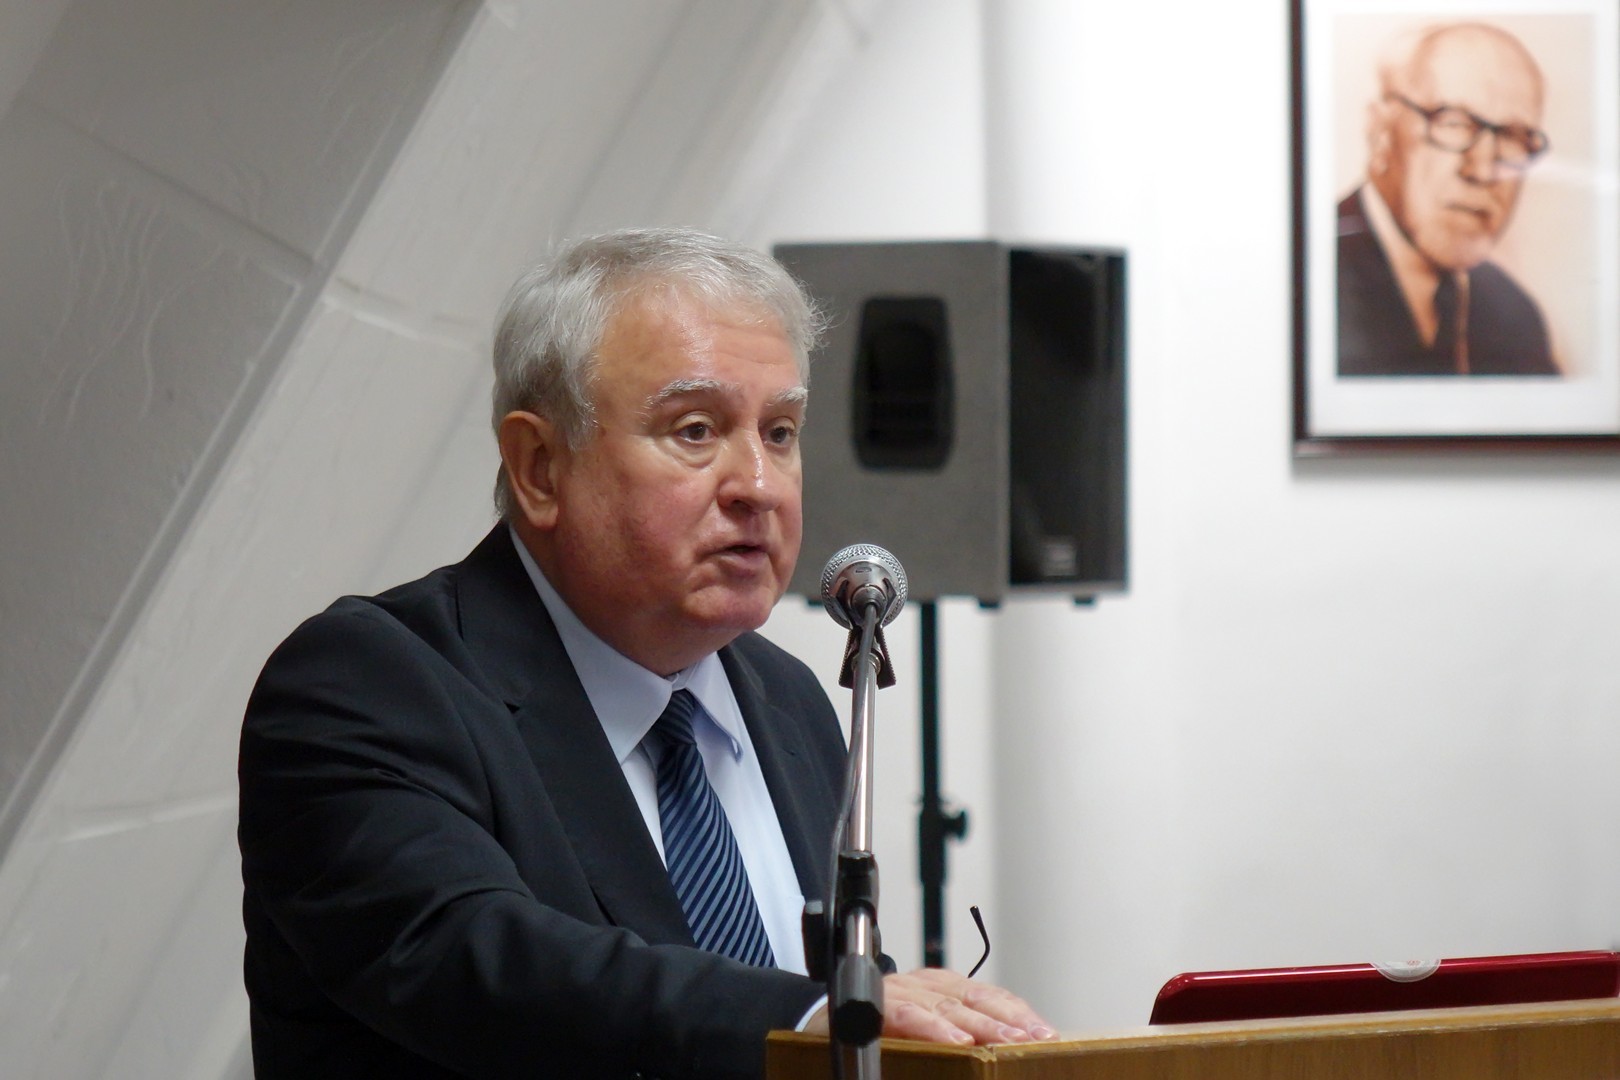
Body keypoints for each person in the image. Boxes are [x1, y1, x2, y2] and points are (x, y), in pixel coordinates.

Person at [238, 227, 1056, 1078]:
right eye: (696, 430)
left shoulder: (790, 701)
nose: (759, 486)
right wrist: (807, 1017)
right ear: (540, 467)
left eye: (780, 432)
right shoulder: (367, 685)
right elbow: (475, 962)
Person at [1337, 22, 1560, 377]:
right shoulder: (1309, 275)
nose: (1483, 170)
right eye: (1453, 123)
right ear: (1381, 131)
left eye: (1512, 137)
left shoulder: (1515, 318)